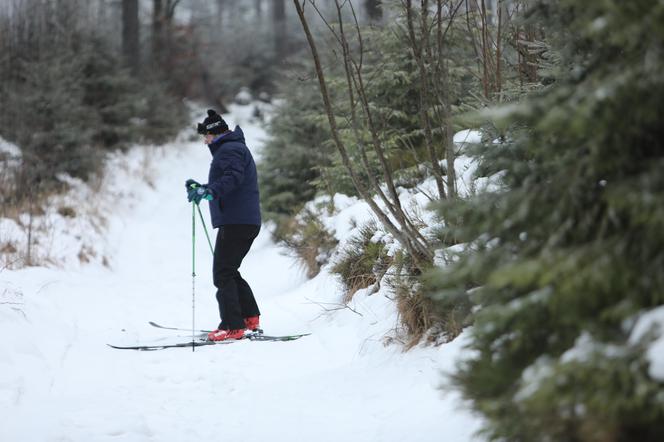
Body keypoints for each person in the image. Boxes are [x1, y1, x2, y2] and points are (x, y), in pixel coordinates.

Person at [186, 109, 262, 341]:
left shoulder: (229, 150)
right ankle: (249, 318)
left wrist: (209, 191)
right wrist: (204, 188)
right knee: (230, 271)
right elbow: (228, 179)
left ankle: (232, 326)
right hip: (241, 220)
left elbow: (232, 178)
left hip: (237, 221)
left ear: (214, 133)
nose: (204, 141)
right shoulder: (232, 148)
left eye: (206, 136)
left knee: (222, 274)